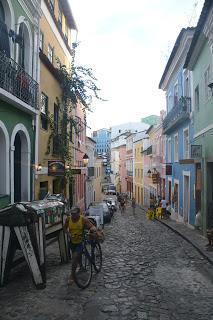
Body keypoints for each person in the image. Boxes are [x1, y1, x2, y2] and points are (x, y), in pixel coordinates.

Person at [63, 206, 97, 285]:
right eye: (72, 214)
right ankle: (81, 267)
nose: (73, 215)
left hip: (80, 242)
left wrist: (92, 230)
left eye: (75, 214)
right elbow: (64, 228)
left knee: (74, 258)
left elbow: (92, 226)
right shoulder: (68, 219)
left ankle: (72, 276)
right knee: (77, 257)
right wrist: (68, 234)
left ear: (79, 213)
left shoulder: (83, 219)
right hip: (72, 242)